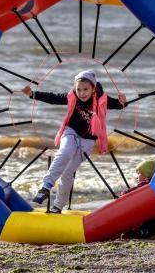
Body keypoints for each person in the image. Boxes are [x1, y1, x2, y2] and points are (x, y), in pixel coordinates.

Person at [21, 70, 126, 213]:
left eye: (85, 89)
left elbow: (118, 105)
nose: (82, 93)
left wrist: (122, 102)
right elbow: (53, 98)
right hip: (70, 132)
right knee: (65, 152)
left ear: (93, 88)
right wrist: (32, 94)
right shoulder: (72, 97)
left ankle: (58, 206)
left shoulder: (102, 99)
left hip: (88, 141)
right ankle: (46, 186)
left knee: (67, 173)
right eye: (79, 89)